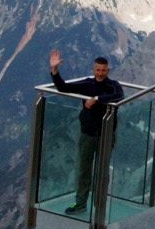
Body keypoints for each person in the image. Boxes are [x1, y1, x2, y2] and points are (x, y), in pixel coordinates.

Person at [49, 48, 124, 214]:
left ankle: (100, 205)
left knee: (102, 171)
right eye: (98, 70)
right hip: (88, 133)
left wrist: (96, 99)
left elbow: (120, 95)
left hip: (106, 134)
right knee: (83, 169)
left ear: (108, 70)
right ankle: (80, 203)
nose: (100, 73)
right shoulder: (87, 84)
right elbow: (63, 88)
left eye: (103, 70)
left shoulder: (113, 86)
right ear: (93, 69)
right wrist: (54, 70)